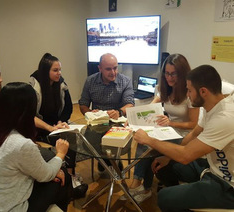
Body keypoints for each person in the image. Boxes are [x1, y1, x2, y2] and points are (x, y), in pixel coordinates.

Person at [134, 65, 234, 211]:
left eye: (189, 90)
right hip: (211, 168)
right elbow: (194, 133)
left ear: (203, 92)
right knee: (163, 167)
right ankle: (185, 198)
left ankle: (182, 199)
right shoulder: (211, 106)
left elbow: (186, 155)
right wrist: (168, 158)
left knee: (164, 198)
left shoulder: (224, 118)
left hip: (227, 184)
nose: (187, 94)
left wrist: (149, 140)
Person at [0, 82, 72, 211]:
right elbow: (46, 175)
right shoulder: (21, 144)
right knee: (63, 178)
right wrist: (61, 154)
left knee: (54, 170)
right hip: (8, 208)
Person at [120, 54, 200, 203]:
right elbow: (151, 107)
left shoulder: (189, 92)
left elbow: (194, 124)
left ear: (182, 73)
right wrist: (132, 120)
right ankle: (144, 187)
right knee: (145, 140)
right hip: (167, 130)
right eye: (166, 73)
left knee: (149, 143)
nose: (169, 78)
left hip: (184, 135)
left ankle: (138, 183)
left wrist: (171, 123)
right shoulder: (165, 89)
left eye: (173, 74)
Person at [30, 52, 88, 198]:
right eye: (55, 70)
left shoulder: (60, 84)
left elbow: (68, 107)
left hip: (57, 124)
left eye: (60, 69)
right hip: (41, 128)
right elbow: (30, 116)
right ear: (45, 71)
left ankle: (70, 174)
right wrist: (50, 127)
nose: (59, 73)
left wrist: (61, 122)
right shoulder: (34, 87)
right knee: (63, 140)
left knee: (72, 136)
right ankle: (68, 180)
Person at [79, 53, 134, 172]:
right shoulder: (90, 81)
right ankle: (106, 161)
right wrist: (90, 113)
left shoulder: (125, 81)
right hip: (97, 123)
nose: (113, 72)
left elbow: (130, 103)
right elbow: (83, 104)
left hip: (118, 123)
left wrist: (119, 111)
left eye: (115, 68)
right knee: (90, 146)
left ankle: (110, 160)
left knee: (116, 144)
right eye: (108, 69)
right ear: (100, 69)